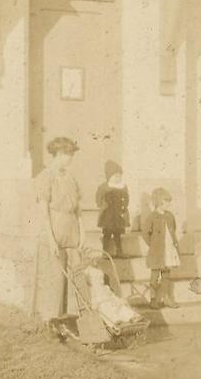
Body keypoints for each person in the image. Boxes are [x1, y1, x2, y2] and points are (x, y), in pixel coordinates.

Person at [33, 136, 84, 322]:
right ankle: (51, 321)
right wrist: (51, 239)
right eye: (68, 154)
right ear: (59, 154)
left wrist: (83, 232)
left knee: (74, 277)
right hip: (54, 229)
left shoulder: (70, 178)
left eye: (71, 154)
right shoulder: (45, 177)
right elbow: (43, 211)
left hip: (71, 232)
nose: (71, 158)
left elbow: (78, 209)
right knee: (55, 278)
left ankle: (68, 320)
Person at [142, 187, 180, 309]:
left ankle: (166, 298)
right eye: (166, 201)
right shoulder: (152, 217)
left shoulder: (170, 216)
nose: (168, 204)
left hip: (168, 249)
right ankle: (153, 299)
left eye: (169, 201)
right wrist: (153, 245)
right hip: (156, 251)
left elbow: (174, 229)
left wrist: (173, 244)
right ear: (158, 201)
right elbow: (145, 233)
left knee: (166, 275)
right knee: (154, 275)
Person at [82, 253, 143, 329]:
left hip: (106, 296)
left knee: (119, 306)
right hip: (99, 300)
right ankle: (115, 321)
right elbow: (85, 282)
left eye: (101, 278)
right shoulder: (88, 278)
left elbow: (109, 293)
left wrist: (115, 298)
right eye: (97, 279)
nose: (100, 280)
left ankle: (132, 317)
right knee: (105, 308)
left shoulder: (104, 286)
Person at [96, 161, 130, 258]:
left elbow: (126, 198)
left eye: (119, 176)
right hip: (108, 215)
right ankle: (105, 252)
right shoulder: (104, 187)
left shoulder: (123, 187)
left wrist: (124, 207)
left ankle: (119, 251)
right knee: (106, 234)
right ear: (109, 176)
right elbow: (98, 197)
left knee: (117, 234)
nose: (118, 179)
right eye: (115, 176)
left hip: (118, 215)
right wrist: (100, 204)